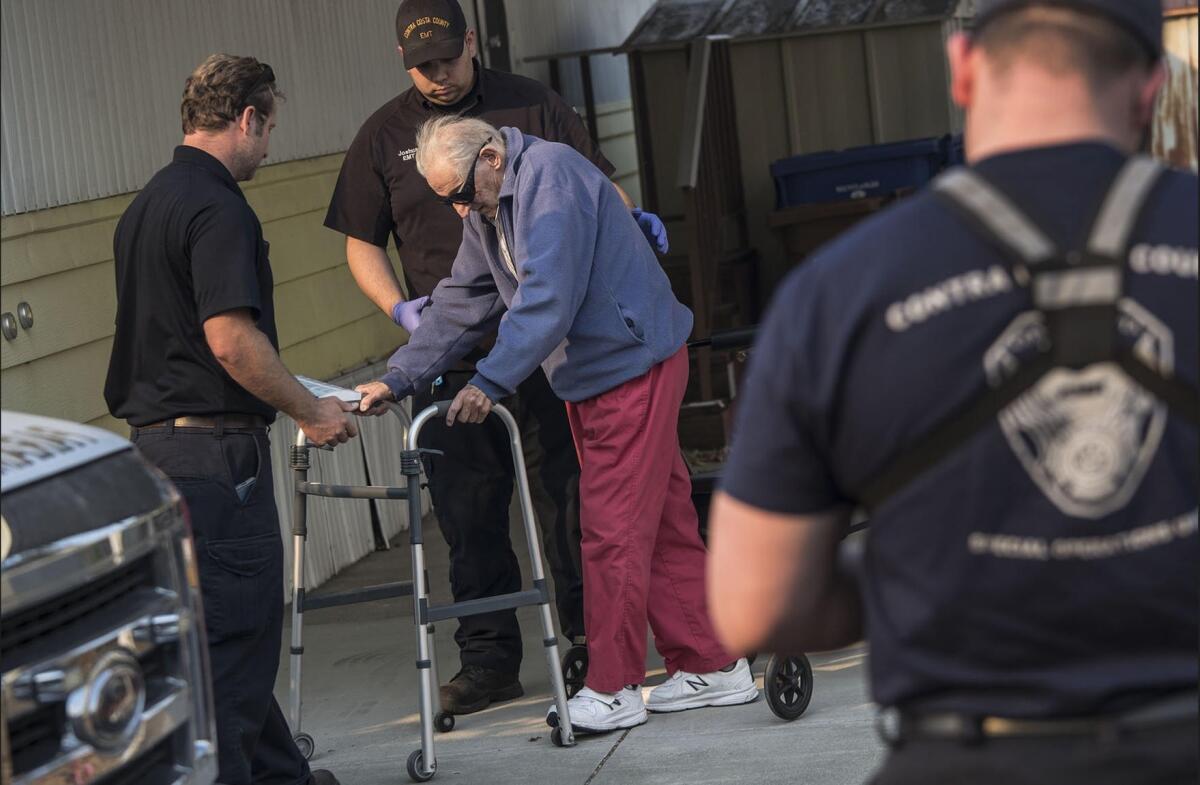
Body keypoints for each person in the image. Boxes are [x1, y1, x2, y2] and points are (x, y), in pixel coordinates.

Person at [707, 1, 1198, 783]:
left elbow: (754, 605)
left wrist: (917, 576)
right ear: (1151, 89)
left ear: (962, 66)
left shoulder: (838, 292)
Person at [354, 116, 758, 732]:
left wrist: (489, 381)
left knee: (609, 529)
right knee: (663, 520)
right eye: (446, 202)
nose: (460, 211)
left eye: (461, 195)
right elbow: (460, 300)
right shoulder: (489, 205)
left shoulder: (551, 177)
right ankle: (713, 664)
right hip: (598, 374)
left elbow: (547, 296)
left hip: (629, 368)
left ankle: (614, 687)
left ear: (490, 157)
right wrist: (397, 378)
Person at [323, 0, 668, 715]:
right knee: (468, 510)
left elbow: (596, 186)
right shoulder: (382, 136)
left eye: (449, 58)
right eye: (424, 65)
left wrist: (627, 229)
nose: (439, 73)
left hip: (550, 344)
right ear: (402, 61)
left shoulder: (532, 107)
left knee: (571, 497)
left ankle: (589, 642)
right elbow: (363, 240)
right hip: (454, 344)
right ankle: (488, 660)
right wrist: (399, 319)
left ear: (471, 42)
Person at [104, 54, 357, 785]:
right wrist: (312, 411)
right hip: (218, 470)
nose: (270, 145)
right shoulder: (220, 209)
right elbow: (229, 339)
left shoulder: (147, 204)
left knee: (208, 649)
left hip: (153, 456)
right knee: (232, 659)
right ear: (246, 118)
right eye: (270, 127)